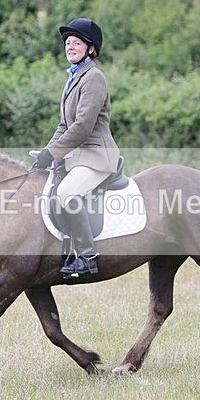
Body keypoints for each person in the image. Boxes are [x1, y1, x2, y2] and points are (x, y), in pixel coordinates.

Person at [32, 18, 121, 278]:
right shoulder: (73, 79)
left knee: (67, 193)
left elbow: (82, 127)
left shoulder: (93, 78)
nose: (70, 46)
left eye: (77, 42)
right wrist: (46, 153)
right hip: (79, 157)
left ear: (90, 49)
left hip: (97, 156)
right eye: (68, 43)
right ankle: (65, 251)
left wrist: (54, 153)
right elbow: (64, 125)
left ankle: (87, 256)